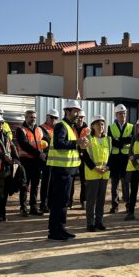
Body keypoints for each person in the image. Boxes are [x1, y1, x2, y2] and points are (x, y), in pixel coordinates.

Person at [47, 100, 87, 241]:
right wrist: (77, 143)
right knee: (58, 202)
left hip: (68, 171)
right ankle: (53, 231)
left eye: (78, 111)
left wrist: (80, 146)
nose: (77, 114)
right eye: (74, 111)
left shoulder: (70, 127)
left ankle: (61, 228)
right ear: (67, 111)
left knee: (64, 202)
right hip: (61, 171)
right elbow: (59, 144)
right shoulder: (61, 126)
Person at [81, 115, 110, 231]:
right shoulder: (87, 138)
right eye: (98, 124)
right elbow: (85, 157)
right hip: (93, 174)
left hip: (104, 173)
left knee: (101, 200)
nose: (100, 126)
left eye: (102, 124)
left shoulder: (108, 139)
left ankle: (99, 222)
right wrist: (95, 168)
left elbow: (111, 156)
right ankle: (90, 224)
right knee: (91, 200)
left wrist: (108, 167)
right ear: (92, 126)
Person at [15, 109, 45, 216]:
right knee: (25, 185)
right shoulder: (20, 130)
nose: (33, 119)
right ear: (26, 118)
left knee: (35, 185)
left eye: (34, 117)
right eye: (31, 117)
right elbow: (24, 145)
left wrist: (43, 153)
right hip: (26, 161)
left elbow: (43, 142)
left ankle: (33, 207)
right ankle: (23, 208)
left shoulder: (39, 130)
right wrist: (39, 154)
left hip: (37, 162)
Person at [108, 104, 133, 213]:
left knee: (126, 183)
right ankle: (115, 205)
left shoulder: (132, 127)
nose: (122, 115)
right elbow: (110, 140)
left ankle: (128, 204)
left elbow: (131, 139)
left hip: (126, 159)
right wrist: (122, 141)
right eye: (119, 114)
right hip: (114, 158)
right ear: (116, 115)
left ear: (126, 114)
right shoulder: (111, 127)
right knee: (114, 184)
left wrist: (119, 141)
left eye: (123, 113)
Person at [39, 108, 58, 213]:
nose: (53, 120)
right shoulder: (41, 129)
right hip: (46, 160)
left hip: (55, 160)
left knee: (53, 183)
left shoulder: (56, 129)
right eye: (51, 117)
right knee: (46, 183)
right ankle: (43, 203)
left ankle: (50, 203)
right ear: (47, 117)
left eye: (55, 118)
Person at [70, 111, 89, 209]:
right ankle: (69, 201)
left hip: (84, 157)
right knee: (71, 180)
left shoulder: (88, 130)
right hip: (72, 157)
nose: (80, 119)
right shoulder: (71, 128)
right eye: (78, 117)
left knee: (84, 181)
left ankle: (84, 201)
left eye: (82, 117)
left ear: (84, 118)